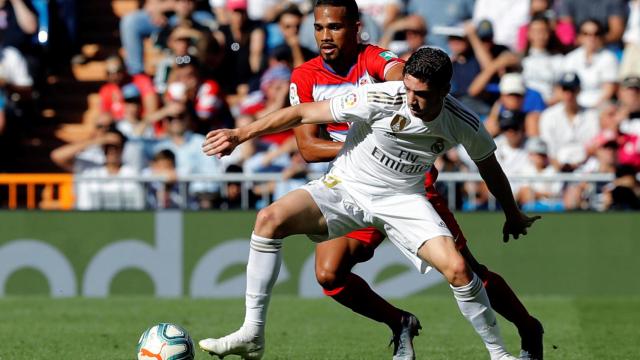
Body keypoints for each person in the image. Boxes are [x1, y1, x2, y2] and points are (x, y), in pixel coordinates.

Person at [199, 47, 540, 360]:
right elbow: (303, 113)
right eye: (407, 89)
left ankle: (500, 355)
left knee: (460, 270)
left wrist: (512, 213)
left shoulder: (463, 123)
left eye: (420, 94)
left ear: (444, 91)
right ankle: (252, 333)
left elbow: (490, 169)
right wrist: (238, 134)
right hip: (346, 188)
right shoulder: (381, 96)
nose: (411, 100)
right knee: (270, 220)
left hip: (404, 199)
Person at [291, 1, 542, 359]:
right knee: (329, 275)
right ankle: (400, 322)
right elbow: (309, 149)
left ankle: (528, 327)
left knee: (465, 270)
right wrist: (366, 143)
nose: (326, 36)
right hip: (354, 185)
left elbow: (403, 76)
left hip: (409, 185)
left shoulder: (377, 59)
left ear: (356, 28)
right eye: (319, 27)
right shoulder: (305, 76)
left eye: (335, 27)